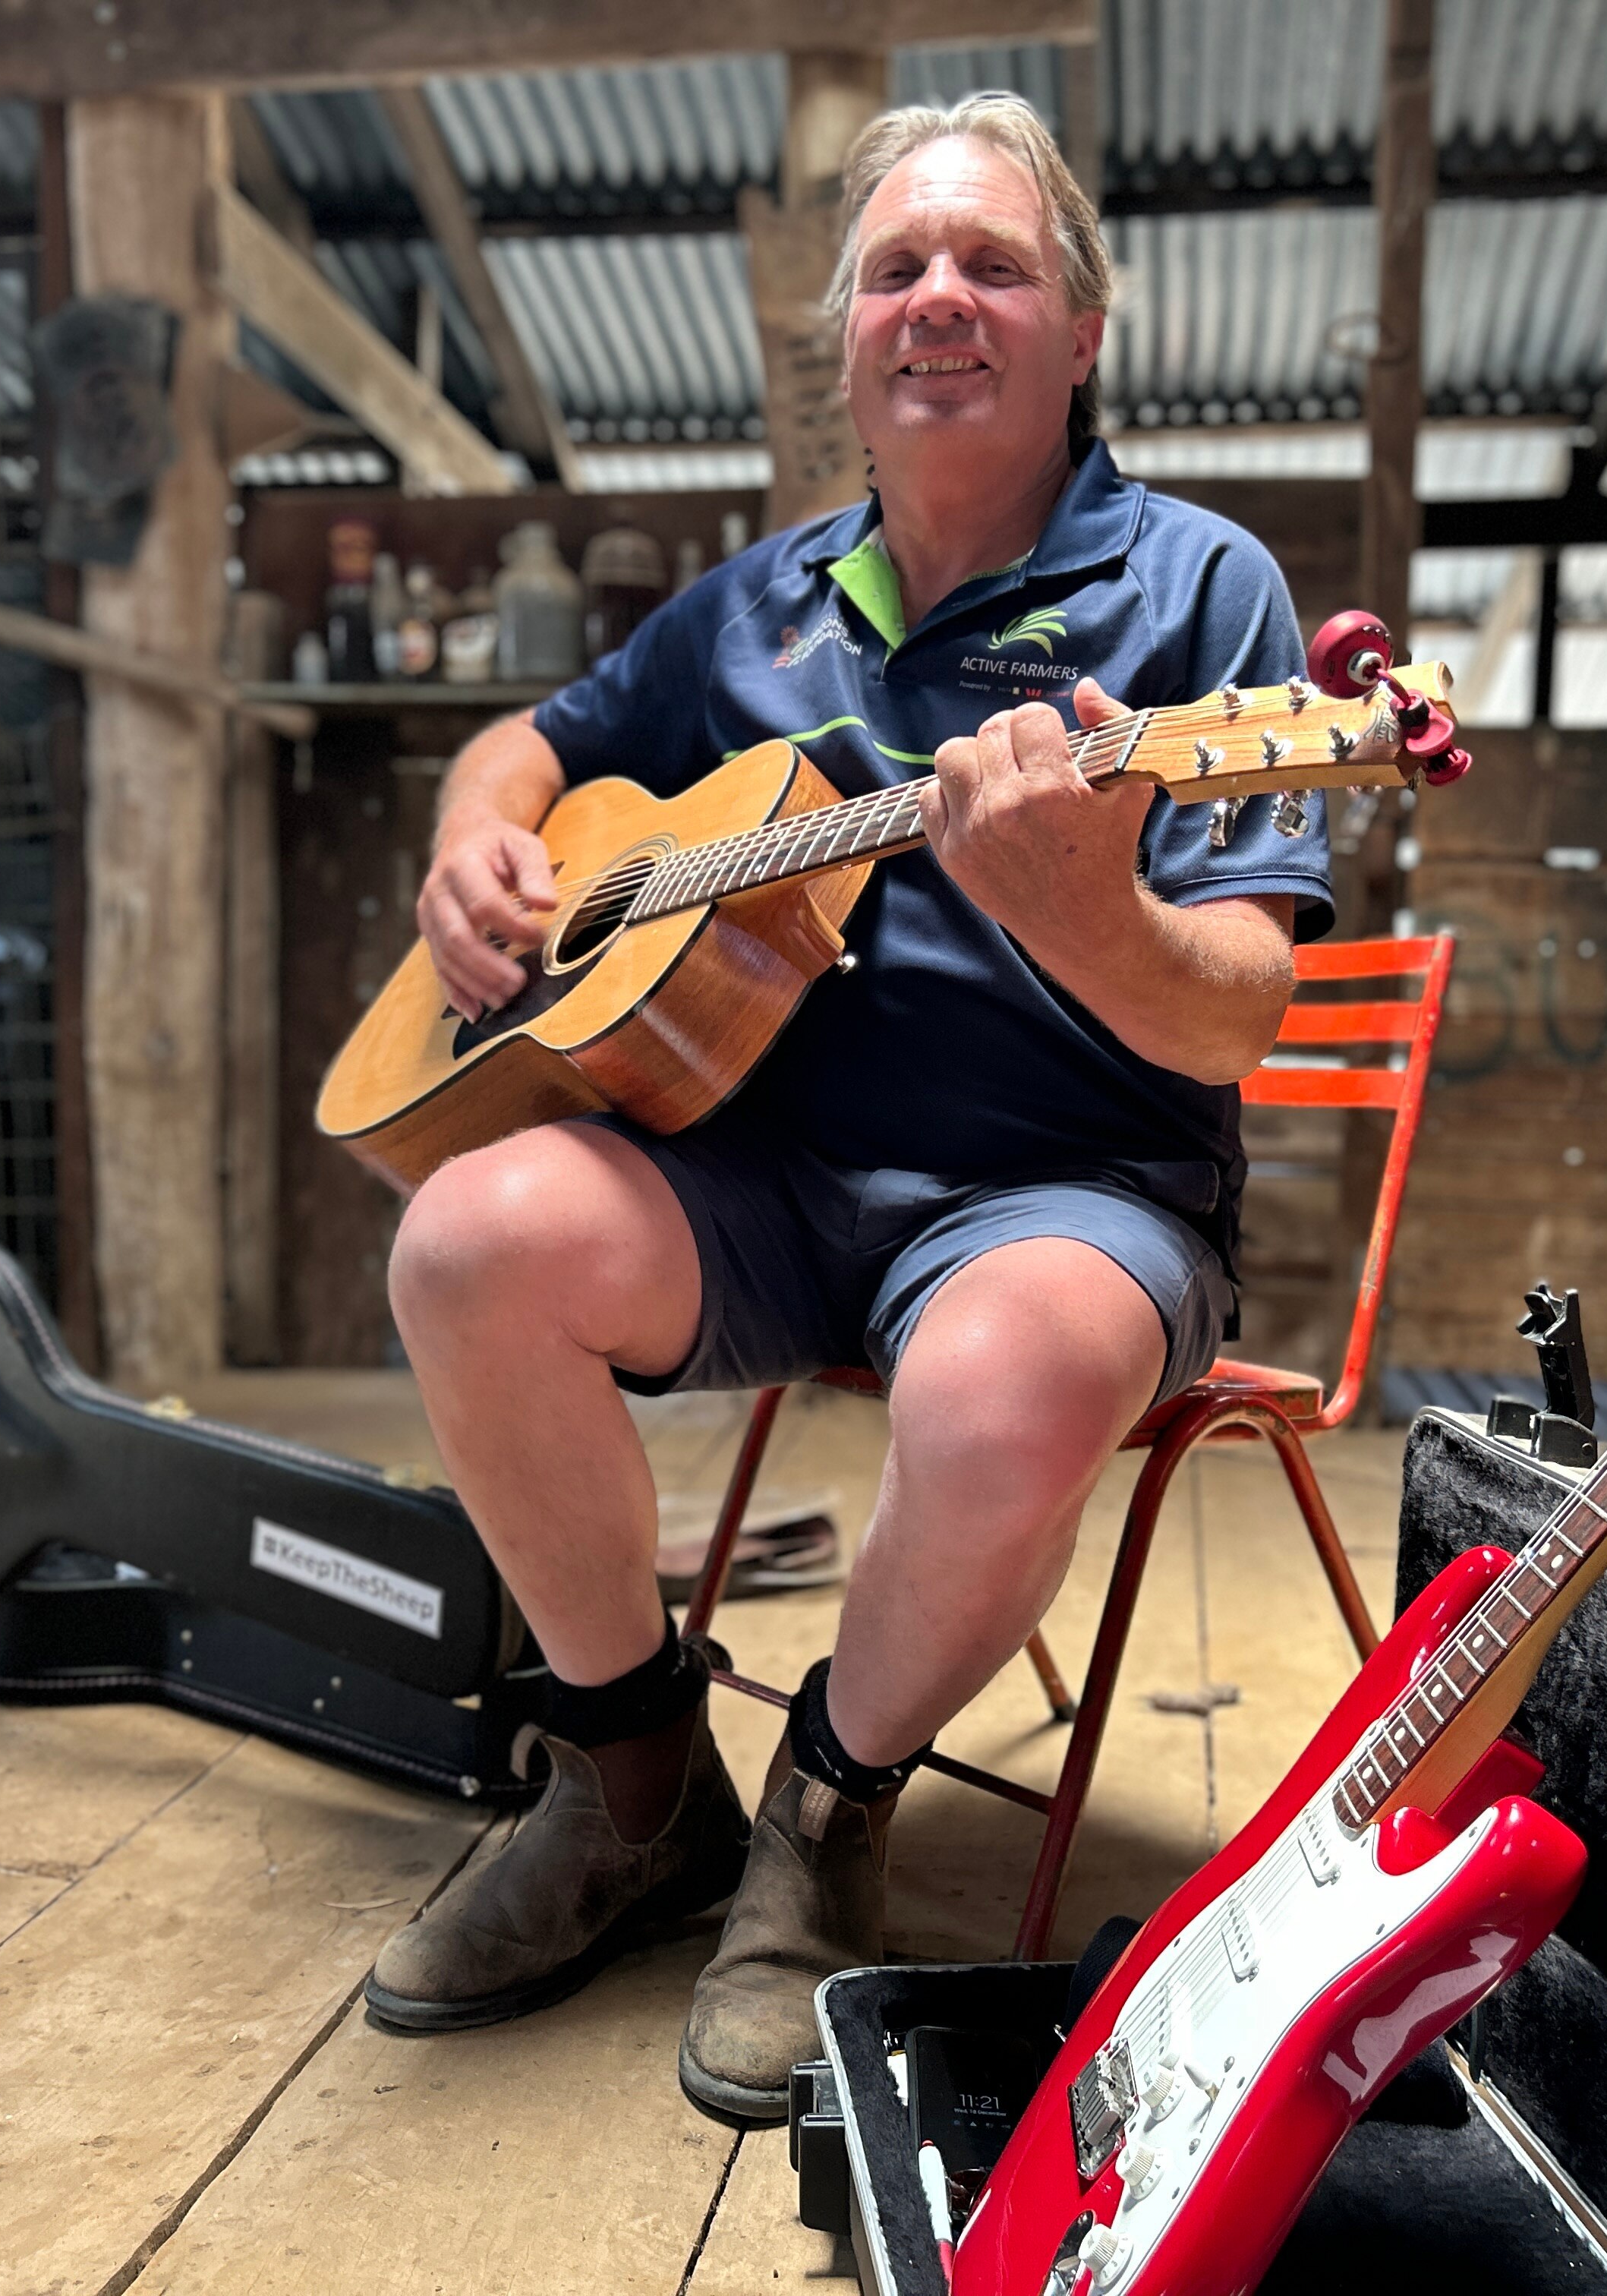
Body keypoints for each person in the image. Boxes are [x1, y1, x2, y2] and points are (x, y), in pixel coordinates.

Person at [364, 93, 1331, 2125]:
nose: (940, 301)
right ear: (848, 344)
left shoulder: (1204, 598)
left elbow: (1239, 1009)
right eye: (899, 269)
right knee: (465, 1236)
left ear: (1087, 329)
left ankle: (820, 1815)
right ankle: (634, 1789)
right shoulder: (749, 612)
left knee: (996, 1385)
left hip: (1068, 1189)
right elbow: (529, 747)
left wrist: (1088, 914)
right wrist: (476, 843)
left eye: (994, 265)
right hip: (765, 1179)